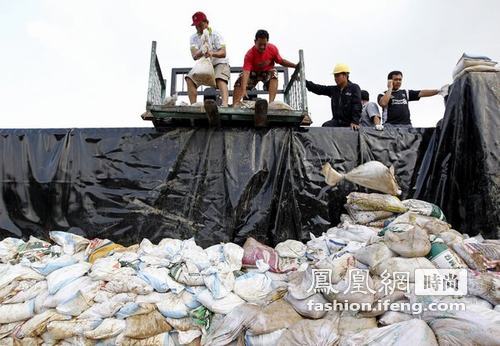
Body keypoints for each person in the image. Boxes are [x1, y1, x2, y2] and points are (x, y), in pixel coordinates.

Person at [233, 30, 297, 106]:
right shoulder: (249, 54)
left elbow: (281, 61)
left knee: (274, 72)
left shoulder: (272, 49)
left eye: (264, 44)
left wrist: (295, 66)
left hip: (266, 73)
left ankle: (271, 103)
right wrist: (244, 89)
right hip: (253, 73)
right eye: (260, 44)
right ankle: (235, 104)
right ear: (255, 42)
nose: (262, 47)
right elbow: (246, 72)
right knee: (240, 79)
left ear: (267, 42)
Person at [186, 11, 230, 107]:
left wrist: (212, 53)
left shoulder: (216, 35)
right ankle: (194, 105)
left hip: (219, 63)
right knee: (189, 79)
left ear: (207, 23)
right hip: (204, 65)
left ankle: (225, 104)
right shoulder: (193, 38)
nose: (198, 28)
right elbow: (194, 56)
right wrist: (202, 50)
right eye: (196, 26)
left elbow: (223, 52)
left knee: (220, 78)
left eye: (200, 25)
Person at [305, 64, 362, 129]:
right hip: (337, 122)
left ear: (345, 75)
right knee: (326, 126)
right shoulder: (334, 90)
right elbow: (319, 89)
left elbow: (357, 105)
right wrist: (305, 82)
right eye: (335, 76)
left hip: (349, 122)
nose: (335, 78)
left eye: (337, 76)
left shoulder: (354, 88)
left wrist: (355, 121)